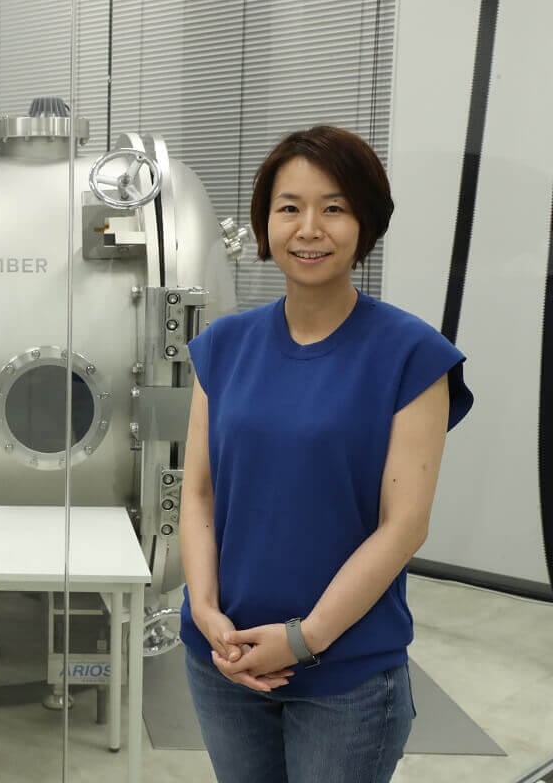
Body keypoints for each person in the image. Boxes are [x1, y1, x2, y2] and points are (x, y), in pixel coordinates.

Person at [179, 125, 473, 783]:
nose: (309, 228)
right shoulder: (223, 348)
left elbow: (405, 525)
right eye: (290, 207)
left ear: (365, 222)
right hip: (222, 659)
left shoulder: (411, 357)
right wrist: (204, 612)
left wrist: (304, 637)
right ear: (266, 224)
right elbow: (197, 491)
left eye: (333, 207)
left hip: (345, 675)